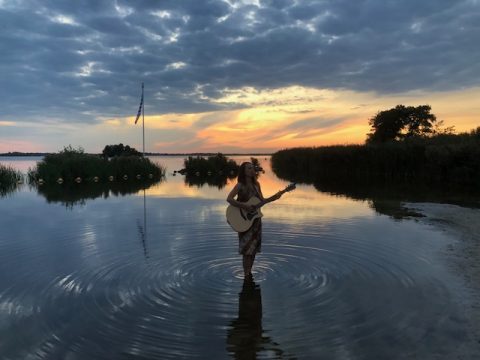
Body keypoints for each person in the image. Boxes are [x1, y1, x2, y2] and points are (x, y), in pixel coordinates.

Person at [227, 162, 282, 278]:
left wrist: (274, 197)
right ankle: (246, 274)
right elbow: (229, 199)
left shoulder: (257, 185)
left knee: (253, 250)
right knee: (246, 251)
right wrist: (244, 206)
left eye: (252, 168)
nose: (252, 169)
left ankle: (249, 274)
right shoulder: (240, 185)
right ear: (244, 171)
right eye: (249, 168)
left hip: (255, 221)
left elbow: (261, 201)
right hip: (243, 221)